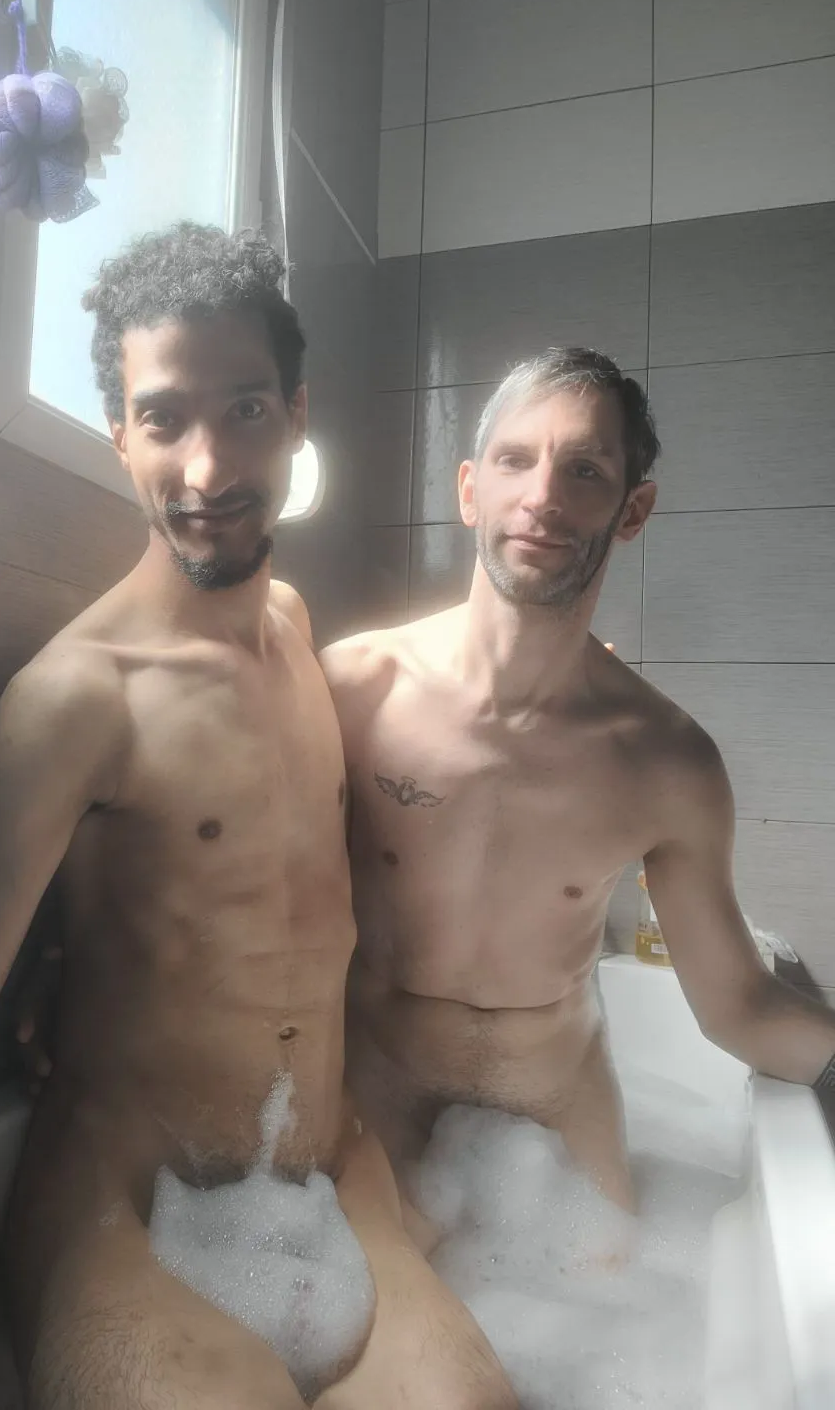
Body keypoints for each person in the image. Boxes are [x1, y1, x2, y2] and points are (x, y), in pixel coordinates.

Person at [0, 224, 518, 1410]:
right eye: (164, 418)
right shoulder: (76, 700)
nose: (206, 469)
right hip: (130, 1217)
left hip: (329, 1184)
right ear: (120, 435)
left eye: (245, 410)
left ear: (297, 417)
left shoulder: (295, 631)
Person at [320, 347, 835, 1227]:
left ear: (633, 510)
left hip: (559, 1115)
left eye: (584, 469)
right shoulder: (354, 692)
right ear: (470, 489)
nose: (543, 496)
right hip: (382, 1091)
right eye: (516, 460)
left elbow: (739, 1005)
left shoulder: (667, 762)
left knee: (614, 1297)